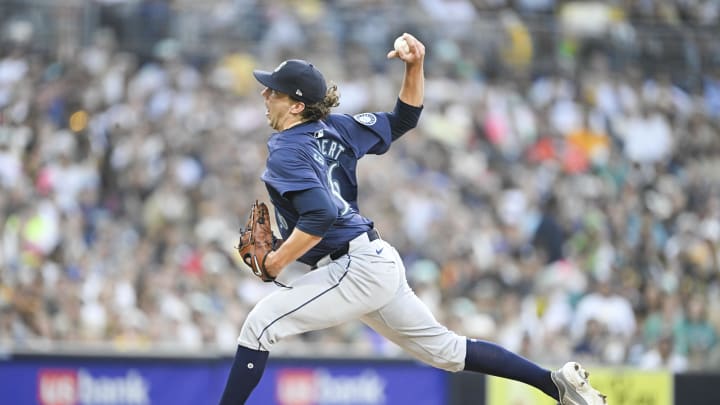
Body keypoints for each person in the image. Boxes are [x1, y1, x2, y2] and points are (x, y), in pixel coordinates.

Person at [219, 33, 607, 405]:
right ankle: (554, 385)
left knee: (260, 324)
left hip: (353, 269)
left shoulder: (286, 147)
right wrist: (415, 66)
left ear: (298, 105)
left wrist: (276, 262)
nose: (265, 94)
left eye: (275, 91)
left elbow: (321, 213)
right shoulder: (337, 129)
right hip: (374, 260)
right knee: (447, 350)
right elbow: (404, 118)